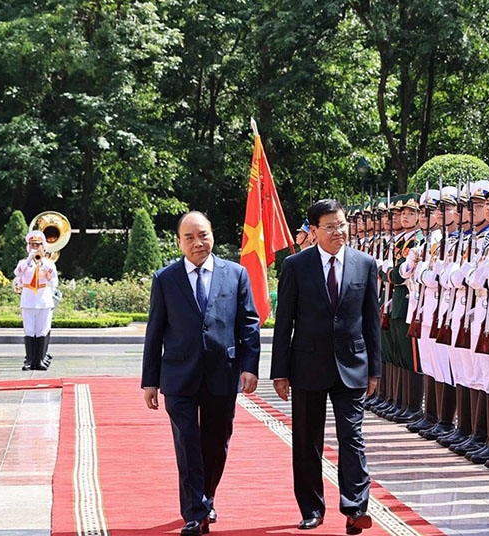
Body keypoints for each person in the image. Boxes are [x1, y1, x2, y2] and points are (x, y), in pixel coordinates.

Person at [141, 211, 261, 536]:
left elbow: (248, 323)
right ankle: (194, 512)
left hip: (222, 373)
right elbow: (155, 331)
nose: (198, 243)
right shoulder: (165, 279)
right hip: (179, 376)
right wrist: (150, 380)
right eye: (190, 237)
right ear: (179, 241)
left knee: (216, 443)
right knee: (187, 441)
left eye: (203, 235)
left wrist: (250, 367)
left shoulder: (235, 274)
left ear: (212, 235)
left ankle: (206, 498)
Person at [271, 198, 382, 535]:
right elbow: (284, 322)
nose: (339, 232)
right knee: (307, 440)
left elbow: (371, 322)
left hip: (352, 364)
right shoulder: (296, 266)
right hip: (307, 364)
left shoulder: (364, 264)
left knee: (352, 437)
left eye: (342, 225)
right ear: (314, 230)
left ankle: (355, 507)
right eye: (330, 227)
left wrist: (374, 369)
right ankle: (311, 508)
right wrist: (280, 371)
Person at [14, 230, 58, 371]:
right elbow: (18, 273)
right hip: (28, 299)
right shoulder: (23, 263)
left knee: (41, 330)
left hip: (43, 299)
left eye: (38, 244)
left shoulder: (49, 263)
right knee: (29, 330)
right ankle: (29, 360)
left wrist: (44, 266)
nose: (35, 247)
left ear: (43, 246)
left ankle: (39, 360)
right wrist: (29, 260)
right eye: (32, 244)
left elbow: (54, 280)